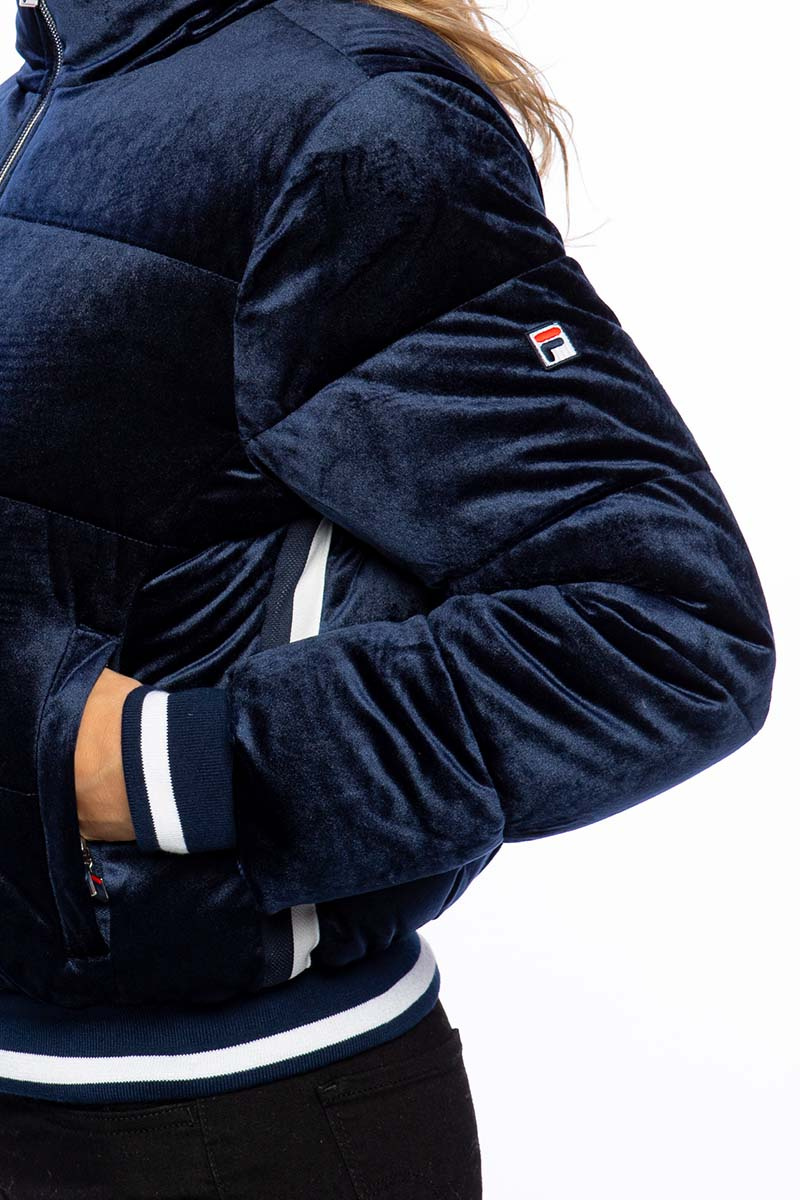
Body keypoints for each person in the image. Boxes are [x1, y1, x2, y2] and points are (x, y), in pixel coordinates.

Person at [0, 0, 776, 1195]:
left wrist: (164, 765)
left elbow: (665, 631)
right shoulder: (44, 102)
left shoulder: (345, 120)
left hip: (225, 1124)